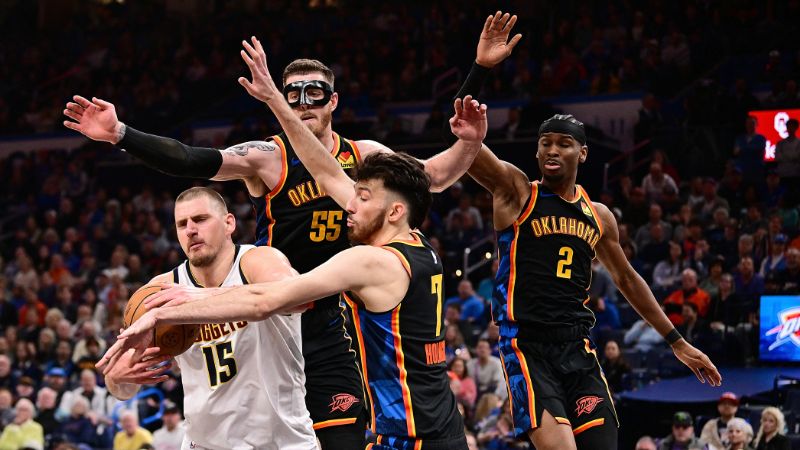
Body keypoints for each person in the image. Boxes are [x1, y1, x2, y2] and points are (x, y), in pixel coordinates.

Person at [63, 20, 499, 450]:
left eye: (316, 93)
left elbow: (433, 177)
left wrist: (470, 140)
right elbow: (192, 160)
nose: (304, 102)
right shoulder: (268, 157)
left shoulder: (363, 159)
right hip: (269, 318)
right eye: (294, 94)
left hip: (334, 319)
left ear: (333, 101)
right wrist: (122, 134)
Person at [452, 36, 720, 450]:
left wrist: (677, 342)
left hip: (577, 348)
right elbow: (464, 133)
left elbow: (629, 281)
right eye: (545, 143)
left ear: (584, 153)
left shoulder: (599, 215)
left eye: (563, 143)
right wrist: (480, 71)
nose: (552, 150)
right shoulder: (517, 192)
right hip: (527, 347)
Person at [103, 187, 317, 449]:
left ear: (229, 223)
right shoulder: (161, 290)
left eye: (200, 219)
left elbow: (299, 298)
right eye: (182, 224)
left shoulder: (258, 261)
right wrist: (119, 378)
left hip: (281, 440)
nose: (190, 230)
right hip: (204, 443)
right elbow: (122, 388)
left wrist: (203, 297)